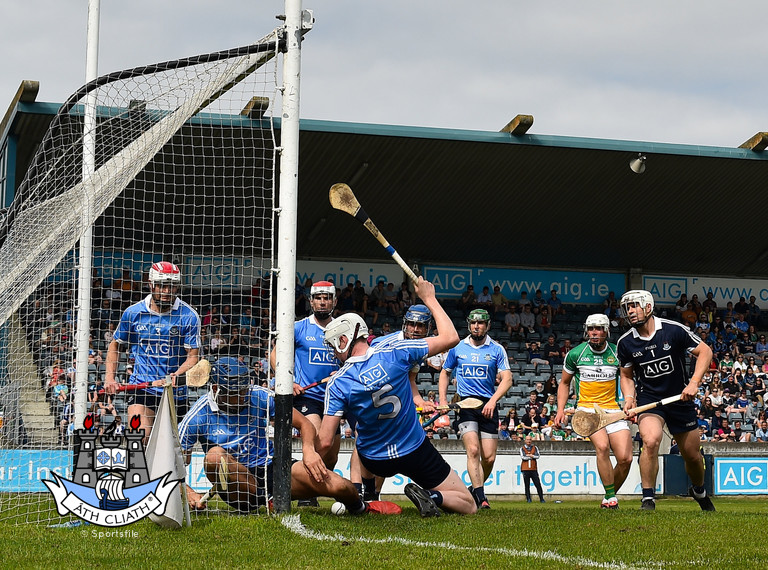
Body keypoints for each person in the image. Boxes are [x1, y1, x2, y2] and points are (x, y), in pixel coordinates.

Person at [319, 277, 476, 517]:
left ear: (343, 340)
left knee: (360, 440)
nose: (333, 352)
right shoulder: (398, 351)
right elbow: (452, 337)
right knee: (468, 504)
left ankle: (365, 496)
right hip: (414, 449)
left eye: (332, 346)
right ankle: (433, 496)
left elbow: (326, 441)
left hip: (374, 459)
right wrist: (429, 298)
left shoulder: (338, 382)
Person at [180, 357, 400, 515]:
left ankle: (361, 508)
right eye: (237, 393)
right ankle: (268, 501)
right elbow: (176, 460)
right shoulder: (198, 415)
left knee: (340, 486)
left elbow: (304, 423)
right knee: (214, 456)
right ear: (217, 389)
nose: (243, 397)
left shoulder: (258, 396)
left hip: (274, 468)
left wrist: (309, 451)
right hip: (240, 485)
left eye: (244, 390)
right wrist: (188, 491)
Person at [616, 290, 715, 511]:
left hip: (680, 398)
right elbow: (626, 375)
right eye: (627, 308)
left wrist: (694, 383)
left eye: (635, 306)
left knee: (692, 457)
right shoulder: (625, 343)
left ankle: (698, 490)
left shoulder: (673, 330)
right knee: (650, 441)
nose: (630, 311)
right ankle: (648, 498)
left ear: (648, 307)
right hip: (650, 399)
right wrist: (629, 398)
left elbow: (705, 352)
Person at [104, 261, 201, 441]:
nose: (166, 292)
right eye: (162, 286)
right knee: (139, 438)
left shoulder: (189, 316)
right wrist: (110, 377)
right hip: (143, 388)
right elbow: (115, 345)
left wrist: (175, 376)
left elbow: (193, 357)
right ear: (151, 285)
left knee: (178, 456)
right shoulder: (133, 313)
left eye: (171, 287)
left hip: (174, 392)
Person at [270, 281, 340, 506]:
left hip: (334, 398)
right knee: (321, 441)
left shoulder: (342, 327)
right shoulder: (299, 328)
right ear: (311, 301)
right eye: (318, 298)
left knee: (332, 455)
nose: (322, 301)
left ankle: (309, 489)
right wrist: (287, 380)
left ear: (334, 301)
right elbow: (274, 355)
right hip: (308, 396)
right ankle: (305, 492)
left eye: (327, 298)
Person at [438, 308, 513, 510]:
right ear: (468, 324)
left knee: (488, 458)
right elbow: (445, 373)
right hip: (465, 406)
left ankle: (474, 488)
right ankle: (481, 498)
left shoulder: (497, 349)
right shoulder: (458, 348)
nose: (476, 326)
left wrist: (493, 400)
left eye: (480, 323)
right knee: (473, 450)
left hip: (487, 405)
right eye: (473, 323)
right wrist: (443, 400)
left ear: (487, 325)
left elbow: (507, 379)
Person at [555, 314, 632, 509]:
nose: (594, 333)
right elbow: (564, 383)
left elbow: (626, 379)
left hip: (613, 410)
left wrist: (630, 401)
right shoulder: (576, 354)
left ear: (606, 331)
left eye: (598, 329)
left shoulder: (617, 353)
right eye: (590, 329)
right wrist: (560, 410)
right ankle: (611, 497)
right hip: (587, 411)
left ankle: (608, 496)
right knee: (603, 447)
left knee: (625, 458)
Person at [520, 435, 545, 503]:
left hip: (533, 469)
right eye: (527, 439)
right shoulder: (522, 448)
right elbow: (523, 457)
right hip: (525, 469)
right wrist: (532, 456)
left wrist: (531, 455)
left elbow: (538, 456)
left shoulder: (535, 448)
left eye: (530, 439)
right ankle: (528, 499)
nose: (529, 441)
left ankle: (541, 498)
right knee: (527, 485)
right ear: (525, 440)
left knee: (538, 484)